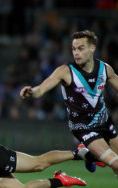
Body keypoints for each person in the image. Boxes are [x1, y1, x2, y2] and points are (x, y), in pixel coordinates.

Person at [20, 30, 118, 178]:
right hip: (83, 127)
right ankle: (90, 152)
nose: (76, 53)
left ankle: (90, 156)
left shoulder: (105, 69)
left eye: (81, 48)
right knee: (116, 163)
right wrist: (32, 92)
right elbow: (41, 89)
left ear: (92, 48)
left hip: (105, 121)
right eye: (74, 49)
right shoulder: (65, 71)